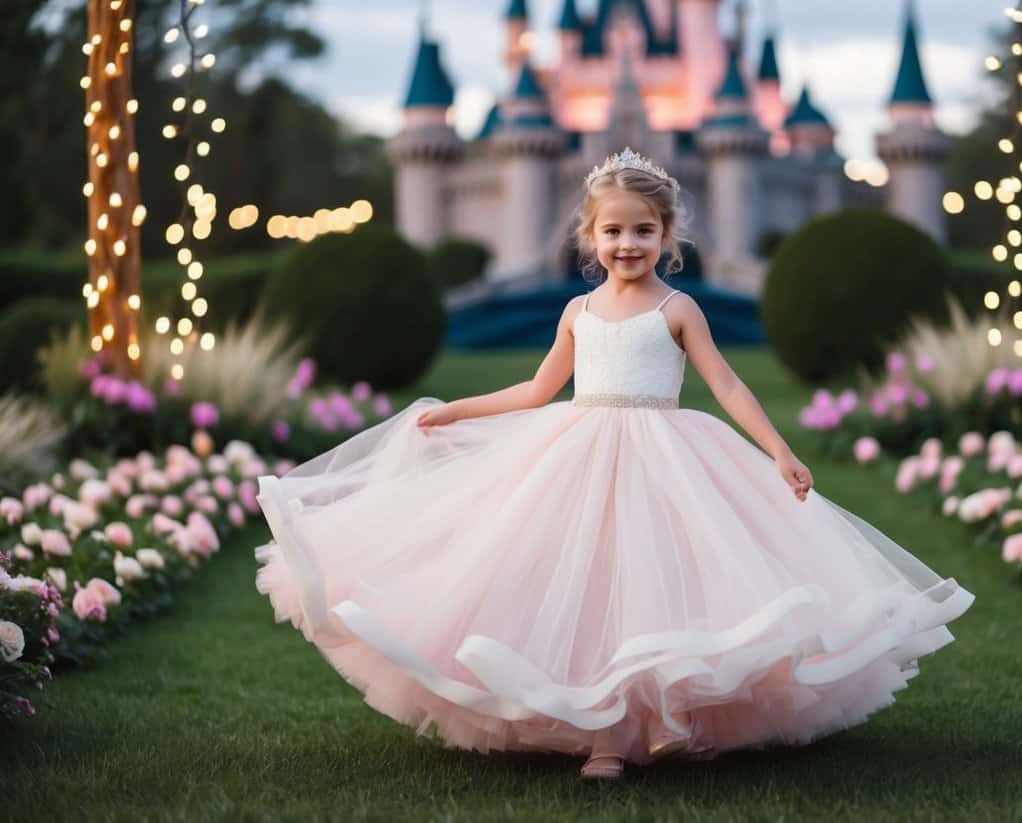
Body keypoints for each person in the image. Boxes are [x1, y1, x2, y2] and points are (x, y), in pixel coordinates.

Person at [254, 147, 975, 781]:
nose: (627, 242)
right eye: (613, 230)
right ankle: (603, 735)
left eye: (642, 229)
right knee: (593, 590)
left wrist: (779, 450)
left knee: (665, 586)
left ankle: (672, 720)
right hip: (578, 456)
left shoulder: (679, 309)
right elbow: (538, 389)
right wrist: (459, 408)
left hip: (668, 457)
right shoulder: (577, 312)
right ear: (589, 237)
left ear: (667, 236)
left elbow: (727, 385)